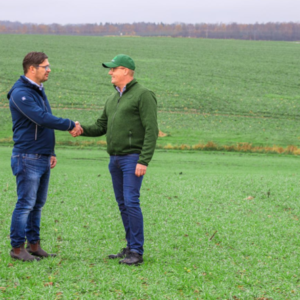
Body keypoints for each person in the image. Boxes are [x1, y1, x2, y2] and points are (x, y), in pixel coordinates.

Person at [71, 54, 158, 265]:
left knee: (131, 201)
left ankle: (136, 252)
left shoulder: (143, 95)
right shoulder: (112, 99)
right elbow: (101, 126)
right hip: (115, 160)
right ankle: (130, 247)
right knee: (122, 204)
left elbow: (151, 129)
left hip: (133, 158)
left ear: (126, 71)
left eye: (113, 69)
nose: (110, 72)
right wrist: (80, 129)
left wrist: (144, 160)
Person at [8, 52, 82, 261]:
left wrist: (51, 152)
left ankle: (34, 245)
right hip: (27, 156)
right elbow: (41, 118)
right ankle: (16, 249)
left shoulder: (38, 91)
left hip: (41, 155)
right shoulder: (21, 93)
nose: (49, 70)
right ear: (32, 68)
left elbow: (44, 124)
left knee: (37, 204)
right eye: (45, 66)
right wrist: (70, 124)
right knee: (25, 204)